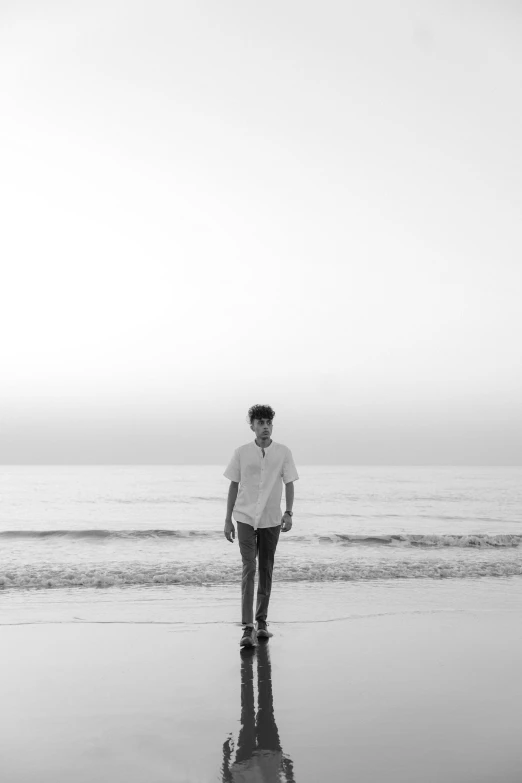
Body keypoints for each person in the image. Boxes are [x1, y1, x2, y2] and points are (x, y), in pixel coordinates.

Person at [223, 404, 299, 647]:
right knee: (249, 567)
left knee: (265, 568)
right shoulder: (241, 452)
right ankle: (247, 628)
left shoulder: (283, 452)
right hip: (244, 516)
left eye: (269, 423)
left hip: (271, 518)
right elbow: (234, 484)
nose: (265, 427)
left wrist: (288, 512)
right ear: (252, 426)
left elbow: (289, 482)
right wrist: (227, 519)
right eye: (260, 423)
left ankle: (262, 622)